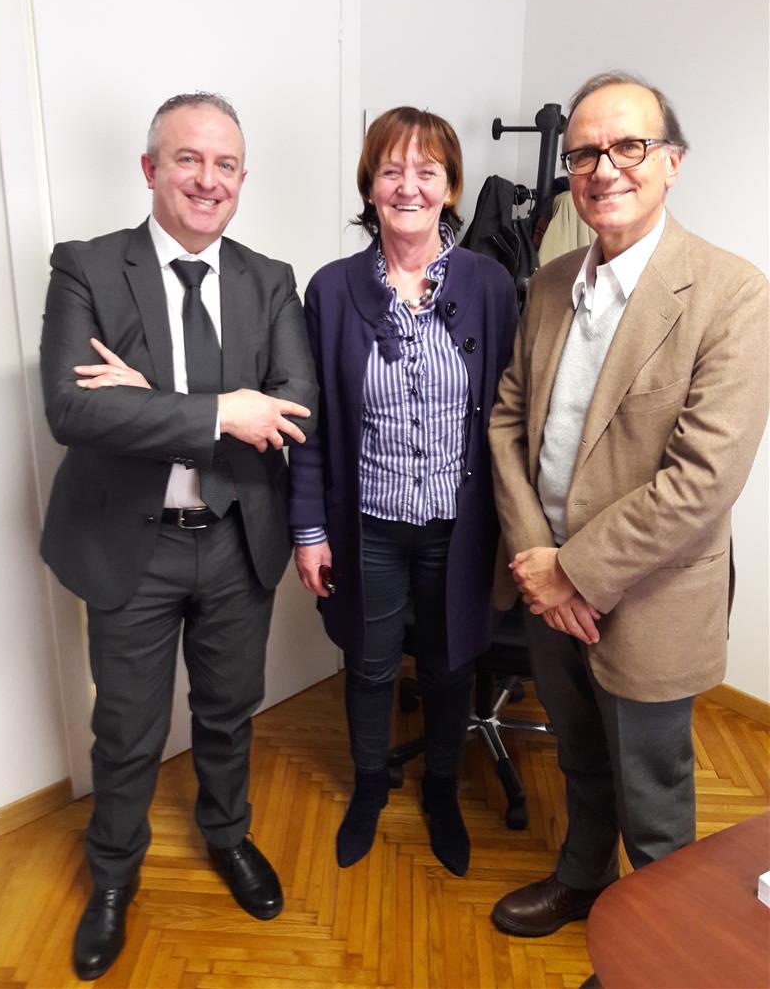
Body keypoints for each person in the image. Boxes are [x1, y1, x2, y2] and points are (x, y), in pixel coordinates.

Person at [40, 92, 318, 980]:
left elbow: (292, 409)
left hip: (236, 539)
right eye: (188, 159)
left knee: (229, 713)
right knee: (126, 729)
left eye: (225, 164)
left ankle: (227, 836)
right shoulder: (86, 266)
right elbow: (71, 409)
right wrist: (219, 411)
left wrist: (148, 400)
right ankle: (113, 877)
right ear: (150, 168)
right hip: (132, 545)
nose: (208, 179)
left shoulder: (270, 279)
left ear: (242, 177)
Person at [488, 71, 768, 942]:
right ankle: (582, 881)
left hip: (648, 597)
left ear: (672, 162)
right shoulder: (549, 283)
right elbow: (508, 421)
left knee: (653, 794)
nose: (604, 168)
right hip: (547, 584)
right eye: (584, 153)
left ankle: (660, 946)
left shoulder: (733, 293)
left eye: (628, 146)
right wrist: (538, 564)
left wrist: (573, 572)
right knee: (578, 757)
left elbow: (703, 478)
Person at [288, 107, 519, 876]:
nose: (408, 187)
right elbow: (312, 424)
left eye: (427, 171)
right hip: (370, 527)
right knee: (369, 663)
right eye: (391, 171)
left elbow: (511, 415)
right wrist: (309, 530)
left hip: (461, 527)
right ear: (370, 186)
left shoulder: (490, 285)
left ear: (450, 186)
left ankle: (443, 791)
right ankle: (367, 787)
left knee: (450, 666)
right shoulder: (332, 290)